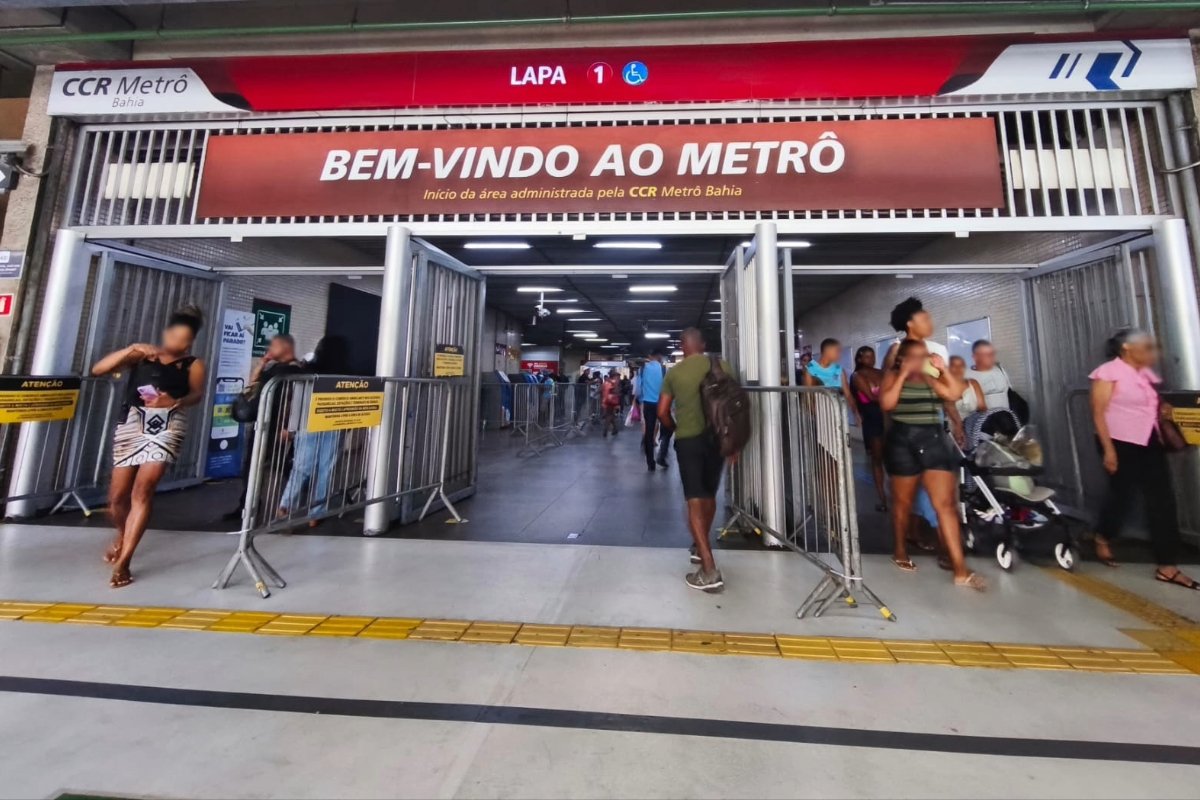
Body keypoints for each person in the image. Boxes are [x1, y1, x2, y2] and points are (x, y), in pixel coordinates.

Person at [91, 305, 207, 587]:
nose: (180, 343)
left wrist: (174, 401)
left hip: (168, 424)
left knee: (143, 489)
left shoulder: (193, 363)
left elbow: (196, 395)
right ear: (166, 333)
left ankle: (125, 561)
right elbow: (98, 370)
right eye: (176, 336)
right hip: (131, 422)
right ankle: (123, 534)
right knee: (117, 498)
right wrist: (131, 349)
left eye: (186, 339)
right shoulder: (142, 355)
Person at [1089, 329, 1196, 589]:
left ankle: (1167, 565)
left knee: (1162, 499)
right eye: (1145, 346)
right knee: (1121, 495)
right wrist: (1109, 450)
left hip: (1149, 439)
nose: (1151, 351)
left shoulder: (1145, 374)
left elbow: (1152, 404)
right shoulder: (1108, 372)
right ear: (1127, 347)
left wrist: (1164, 409)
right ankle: (1103, 535)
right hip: (1119, 441)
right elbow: (1098, 414)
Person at [880, 338, 984, 590]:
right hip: (902, 441)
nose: (921, 359)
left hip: (933, 438)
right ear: (902, 359)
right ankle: (900, 550)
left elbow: (954, 394)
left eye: (924, 355)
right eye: (915, 356)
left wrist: (942, 370)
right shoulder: (893, 375)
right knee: (903, 503)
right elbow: (887, 403)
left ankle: (960, 570)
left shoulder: (932, 376)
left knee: (945, 505)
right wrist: (903, 373)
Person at [658, 328, 734, 593]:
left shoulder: (675, 373)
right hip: (717, 440)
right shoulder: (723, 367)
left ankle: (709, 568)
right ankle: (699, 546)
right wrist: (733, 442)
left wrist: (675, 428)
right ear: (702, 344)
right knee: (709, 495)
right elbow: (733, 406)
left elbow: (662, 411)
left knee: (694, 499)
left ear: (683, 346)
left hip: (689, 441)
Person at [225, 333, 305, 520]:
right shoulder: (273, 368)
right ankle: (247, 506)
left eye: (273, 346)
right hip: (262, 423)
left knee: (282, 466)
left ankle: (291, 504)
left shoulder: (296, 371)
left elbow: (294, 401)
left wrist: (288, 427)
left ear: (285, 347)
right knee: (253, 466)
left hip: (278, 426)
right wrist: (260, 365)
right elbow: (253, 387)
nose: (269, 349)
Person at [278, 335, 350, 528]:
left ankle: (286, 505)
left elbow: (297, 401)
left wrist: (290, 427)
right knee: (327, 469)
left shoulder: (308, 372)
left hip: (307, 422)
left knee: (301, 467)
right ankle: (316, 513)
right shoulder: (346, 375)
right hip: (334, 424)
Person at [850, 346, 888, 512]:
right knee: (877, 459)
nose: (870, 359)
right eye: (866, 356)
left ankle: (893, 497)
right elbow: (872, 397)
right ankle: (883, 499)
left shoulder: (881, 373)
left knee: (892, 458)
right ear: (859, 359)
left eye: (872, 356)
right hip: (872, 420)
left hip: (887, 418)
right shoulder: (857, 376)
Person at [802, 338, 862, 426]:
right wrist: (815, 412)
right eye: (837, 351)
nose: (839, 355)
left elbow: (848, 394)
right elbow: (808, 394)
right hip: (820, 415)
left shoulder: (839, 370)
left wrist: (856, 413)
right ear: (828, 351)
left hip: (838, 413)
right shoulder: (811, 368)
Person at [639, 349, 671, 470]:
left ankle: (650, 463)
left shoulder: (642, 369)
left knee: (649, 432)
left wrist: (640, 400)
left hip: (648, 404)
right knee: (667, 429)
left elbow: (638, 388)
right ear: (659, 356)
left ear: (650, 356)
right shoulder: (663, 369)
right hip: (662, 404)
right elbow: (668, 388)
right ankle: (661, 456)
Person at [967, 339, 1012, 411]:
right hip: (984, 417)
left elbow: (1009, 391)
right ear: (975, 357)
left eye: (991, 354)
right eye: (985, 354)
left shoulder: (999, 370)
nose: (990, 357)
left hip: (1006, 415)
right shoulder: (967, 376)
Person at [949, 355, 986, 421]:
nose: (958, 369)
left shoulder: (973, 383)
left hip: (973, 423)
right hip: (953, 425)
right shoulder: (943, 387)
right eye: (954, 365)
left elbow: (982, 407)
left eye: (961, 366)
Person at [601, 370, 622, 437]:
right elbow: (616, 391)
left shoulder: (606, 382)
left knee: (610, 414)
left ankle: (614, 429)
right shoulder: (614, 382)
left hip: (606, 400)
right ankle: (606, 429)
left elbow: (602, 390)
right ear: (614, 376)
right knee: (610, 415)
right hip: (612, 400)